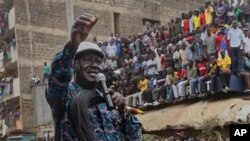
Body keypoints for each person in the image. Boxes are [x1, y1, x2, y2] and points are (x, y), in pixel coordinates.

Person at [46, 14, 141, 141]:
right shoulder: (65, 96)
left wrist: (123, 109)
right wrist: (73, 44)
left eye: (98, 61)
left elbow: (135, 136)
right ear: (75, 64)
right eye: (87, 60)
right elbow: (57, 78)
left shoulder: (109, 101)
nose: (94, 65)